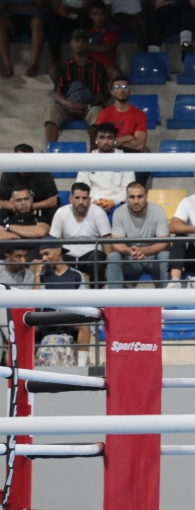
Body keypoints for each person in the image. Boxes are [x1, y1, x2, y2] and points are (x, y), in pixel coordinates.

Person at [44, 29, 108, 149]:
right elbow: (57, 91)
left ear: (88, 45)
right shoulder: (63, 67)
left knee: (98, 113)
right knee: (51, 112)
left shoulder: (98, 67)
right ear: (71, 44)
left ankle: (94, 154)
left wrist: (87, 106)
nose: (80, 44)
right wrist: (66, 103)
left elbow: (101, 94)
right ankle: (51, 151)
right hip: (68, 105)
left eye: (84, 41)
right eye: (77, 41)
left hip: (89, 106)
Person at [35, 237, 91, 366]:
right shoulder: (42, 277)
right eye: (42, 255)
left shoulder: (76, 275)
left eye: (46, 254)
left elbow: (84, 301)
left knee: (85, 326)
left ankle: (81, 366)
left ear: (58, 250)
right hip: (46, 319)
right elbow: (36, 300)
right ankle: (26, 365)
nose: (44, 258)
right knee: (25, 327)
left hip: (69, 317)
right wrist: (37, 274)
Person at [107, 182, 169, 288]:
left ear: (146, 197)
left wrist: (142, 251)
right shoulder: (119, 212)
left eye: (140, 197)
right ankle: (114, 297)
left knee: (165, 255)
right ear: (126, 198)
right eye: (132, 197)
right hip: (131, 259)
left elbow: (163, 243)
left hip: (153, 259)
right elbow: (117, 243)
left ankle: (169, 295)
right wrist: (130, 251)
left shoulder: (158, 211)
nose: (136, 201)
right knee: (114, 256)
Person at [48, 182, 111, 283]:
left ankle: (98, 291)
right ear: (71, 199)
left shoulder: (98, 212)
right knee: (57, 259)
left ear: (89, 200)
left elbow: (107, 240)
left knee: (97, 258)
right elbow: (53, 241)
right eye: (77, 198)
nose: (81, 202)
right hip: (68, 256)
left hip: (92, 255)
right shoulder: (61, 213)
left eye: (84, 198)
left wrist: (108, 265)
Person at [0, 0, 48, 77]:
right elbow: (9, 8)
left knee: (37, 21)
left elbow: (40, 5)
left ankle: (33, 65)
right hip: (16, 19)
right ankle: (8, 65)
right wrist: (30, 7)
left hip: (34, 19)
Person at [80, 122, 134, 212]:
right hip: (92, 205)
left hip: (119, 205)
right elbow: (81, 188)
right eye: (102, 137)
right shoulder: (87, 160)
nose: (106, 142)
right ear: (96, 139)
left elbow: (129, 189)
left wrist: (113, 201)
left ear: (115, 139)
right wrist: (94, 202)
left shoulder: (125, 159)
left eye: (110, 138)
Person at [0, 157, 59, 225]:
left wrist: (28, 207)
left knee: (54, 212)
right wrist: (19, 207)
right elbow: (1, 201)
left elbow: (53, 201)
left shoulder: (43, 173)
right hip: (16, 210)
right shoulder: (8, 174)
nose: (24, 165)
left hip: (42, 211)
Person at [96, 78, 147, 152]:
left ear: (129, 91)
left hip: (131, 153)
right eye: (117, 87)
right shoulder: (104, 113)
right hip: (110, 153)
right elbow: (103, 141)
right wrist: (129, 137)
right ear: (112, 92)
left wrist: (113, 142)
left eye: (125, 87)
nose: (122, 90)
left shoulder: (140, 115)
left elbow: (139, 145)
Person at [85, 2, 122, 79]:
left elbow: (106, 49)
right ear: (90, 15)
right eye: (95, 14)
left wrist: (85, 47)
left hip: (105, 64)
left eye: (102, 14)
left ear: (106, 15)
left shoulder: (112, 32)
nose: (99, 18)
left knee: (116, 74)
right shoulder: (85, 33)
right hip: (86, 64)